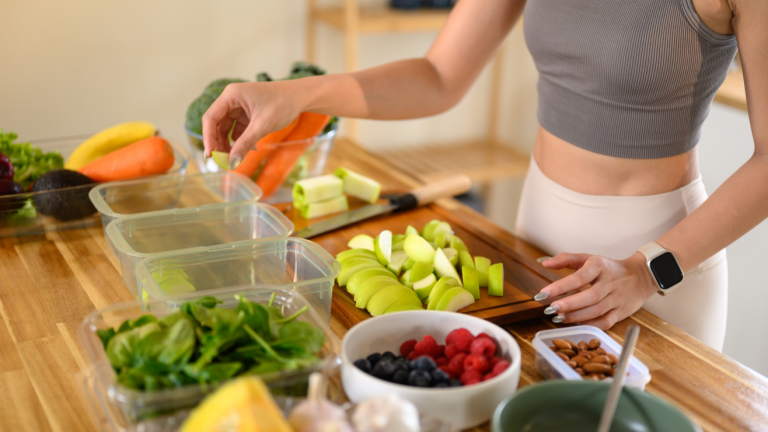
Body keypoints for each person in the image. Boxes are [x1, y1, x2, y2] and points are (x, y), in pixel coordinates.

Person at [202, 0, 767, 351]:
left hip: (660, 268)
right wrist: (296, 94)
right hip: (537, 238)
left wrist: (647, 271)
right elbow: (438, 75)